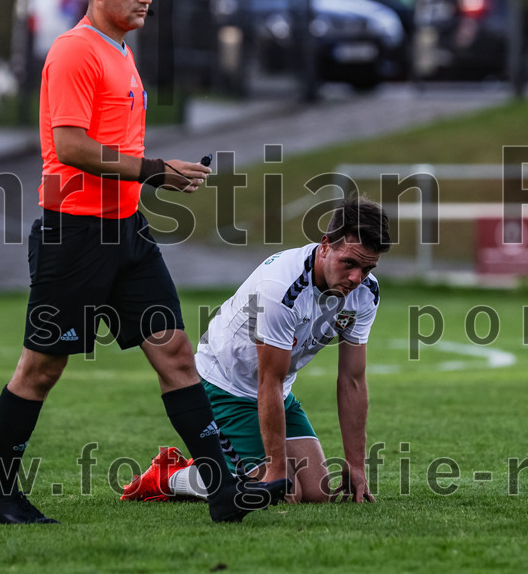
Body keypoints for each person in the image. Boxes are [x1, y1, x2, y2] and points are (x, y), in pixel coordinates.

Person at [0, 0, 290, 526]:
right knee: (41, 368)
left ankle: (223, 491)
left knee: (174, 351)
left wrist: (148, 181)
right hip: (75, 235)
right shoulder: (75, 50)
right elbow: (69, 146)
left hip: (126, 231)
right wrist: (154, 171)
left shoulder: (120, 50)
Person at [121, 196, 390, 505]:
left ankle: (238, 469)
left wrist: (356, 464)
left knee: (317, 493)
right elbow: (268, 380)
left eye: (367, 268)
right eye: (350, 264)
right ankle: (171, 476)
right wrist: (276, 471)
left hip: (277, 391)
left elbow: (353, 380)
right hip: (223, 387)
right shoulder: (282, 289)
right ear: (326, 245)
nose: (357, 278)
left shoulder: (366, 293)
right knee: (279, 492)